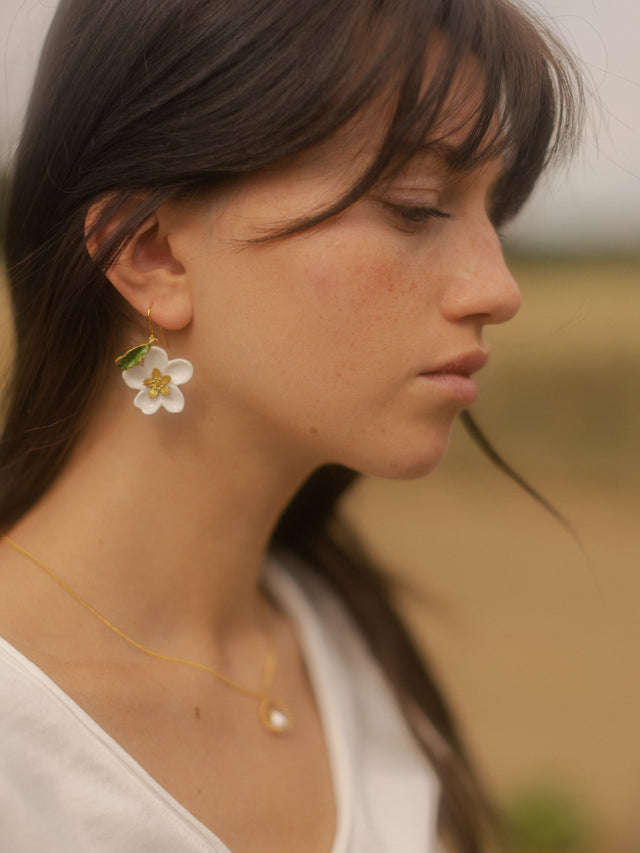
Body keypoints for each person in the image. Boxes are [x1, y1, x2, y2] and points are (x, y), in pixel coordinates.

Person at [0, 0, 582, 851]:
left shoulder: (343, 642)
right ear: (149, 251)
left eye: (498, 216)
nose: (498, 288)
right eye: (418, 204)